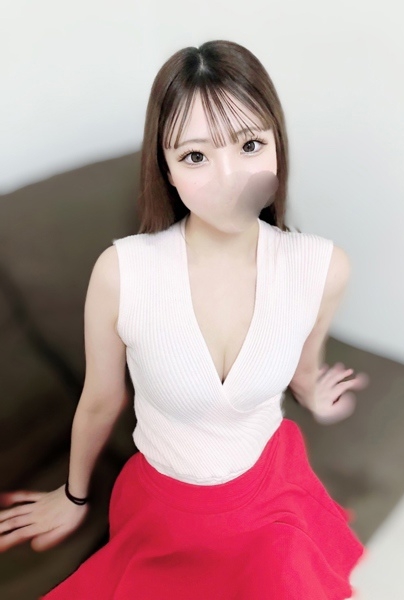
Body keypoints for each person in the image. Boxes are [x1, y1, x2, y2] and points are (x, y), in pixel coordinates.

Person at [0, 40, 368, 599]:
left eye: (250, 145)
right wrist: (73, 496)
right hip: (165, 509)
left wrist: (316, 393)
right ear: (166, 169)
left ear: (278, 147)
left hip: (270, 495)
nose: (229, 179)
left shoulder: (323, 268)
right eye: (196, 156)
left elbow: (302, 366)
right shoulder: (122, 273)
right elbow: (101, 399)